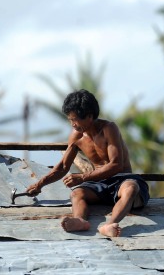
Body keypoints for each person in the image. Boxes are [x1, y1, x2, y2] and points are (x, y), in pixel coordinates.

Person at [26, 89, 150, 237]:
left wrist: (83, 177)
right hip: (99, 184)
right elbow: (63, 167)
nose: (72, 124)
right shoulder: (76, 136)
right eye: (70, 120)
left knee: (131, 188)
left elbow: (116, 164)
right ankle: (80, 220)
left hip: (121, 179)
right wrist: (40, 184)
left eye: (75, 119)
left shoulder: (109, 129)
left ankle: (110, 224)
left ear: (90, 116)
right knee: (77, 194)